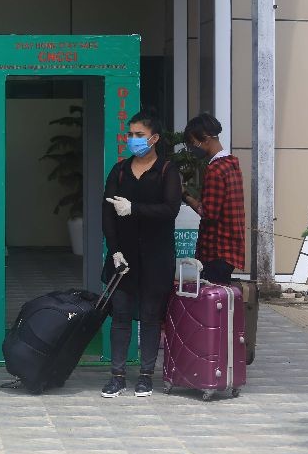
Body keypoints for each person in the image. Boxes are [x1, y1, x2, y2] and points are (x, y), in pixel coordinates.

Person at [101, 110, 182, 398]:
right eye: (130, 134)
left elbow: (170, 210)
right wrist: (114, 250)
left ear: (154, 138)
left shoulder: (166, 170)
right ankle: (117, 375)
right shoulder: (120, 170)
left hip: (156, 256)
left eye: (139, 135)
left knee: (150, 315)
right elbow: (107, 211)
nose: (133, 140)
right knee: (120, 314)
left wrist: (134, 208)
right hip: (123, 257)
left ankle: (146, 375)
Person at [181, 113, 246, 283]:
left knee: (213, 304)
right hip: (230, 249)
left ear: (205, 139)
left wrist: (185, 195)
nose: (192, 147)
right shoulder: (232, 164)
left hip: (216, 251)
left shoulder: (215, 170)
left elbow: (208, 213)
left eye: (193, 142)